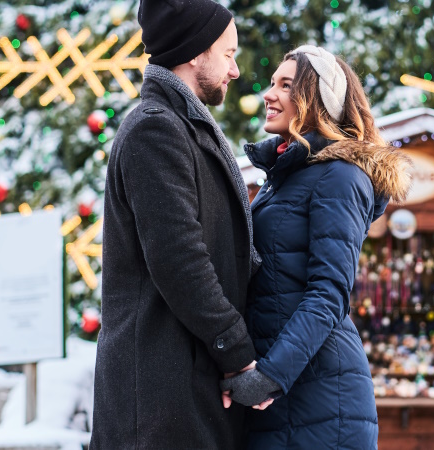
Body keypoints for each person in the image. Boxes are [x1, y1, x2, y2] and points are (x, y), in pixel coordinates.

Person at [91, 1, 264, 448]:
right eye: (228, 54)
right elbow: (179, 258)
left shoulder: (182, 125)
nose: (235, 70)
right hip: (158, 394)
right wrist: (236, 352)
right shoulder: (156, 130)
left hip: (182, 382)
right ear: (194, 52)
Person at [220, 46, 412, 448]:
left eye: (285, 85)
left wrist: (270, 376)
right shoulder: (286, 176)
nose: (269, 94)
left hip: (322, 399)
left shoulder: (340, 176)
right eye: (272, 84)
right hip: (284, 391)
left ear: (317, 100)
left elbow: (329, 293)